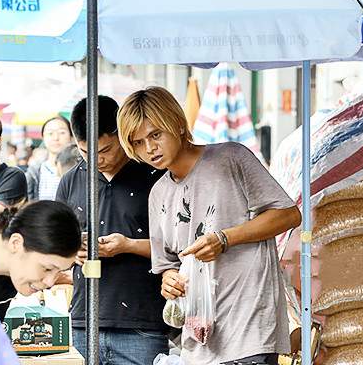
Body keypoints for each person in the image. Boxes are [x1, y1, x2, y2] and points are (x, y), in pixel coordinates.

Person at [117, 86, 302, 365]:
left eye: (155, 135)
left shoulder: (230, 158)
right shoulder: (158, 193)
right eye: (138, 142)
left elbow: (288, 215)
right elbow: (166, 265)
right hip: (198, 336)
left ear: (177, 125)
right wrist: (169, 282)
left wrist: (225, 238)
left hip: (249, 327)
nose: (149, 148)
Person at [55, 96, 168, 365]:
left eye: (104, 150)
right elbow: (55, 245)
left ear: (121, 134)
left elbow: (180, 247)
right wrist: (73, 251)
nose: (97, 160)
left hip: (142, 325)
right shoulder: (71, 180)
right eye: (86, 152)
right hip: (84, 320)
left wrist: (128, 245)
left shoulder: (155, 174)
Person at [26, 116, 73, 201]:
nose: (56, 138)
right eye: (50, 133)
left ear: (71, 136)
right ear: (43, 138)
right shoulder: (34, 172)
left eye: (62, 132)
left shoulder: (80, 169)